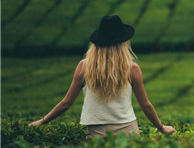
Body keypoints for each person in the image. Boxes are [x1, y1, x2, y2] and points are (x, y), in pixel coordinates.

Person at [29, 15, 176, 138]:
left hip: (95, 131)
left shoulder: (84, 66)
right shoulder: (132, 68)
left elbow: (66, 103)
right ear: (123, 42)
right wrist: (161, 127)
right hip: (127, 130)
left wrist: (42, 121)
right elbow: (146, 105)